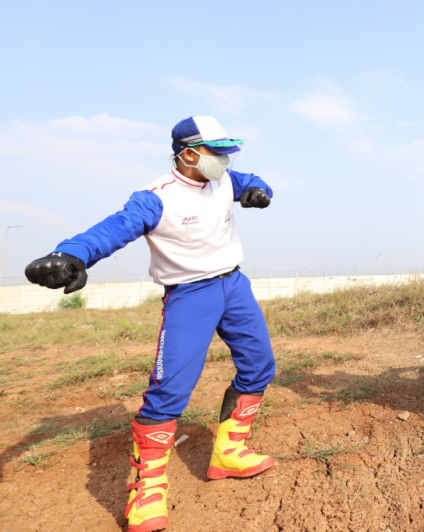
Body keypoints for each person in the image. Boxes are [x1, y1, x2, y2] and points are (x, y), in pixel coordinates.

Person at [24, 115, 277, 532]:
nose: (226, 159)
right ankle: (149, 488)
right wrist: (72, 255)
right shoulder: (155, 198)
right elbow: (113, 228)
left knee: (259, 366)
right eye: (218, 151)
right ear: (190, 153)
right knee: (170, 389)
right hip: (189, 295)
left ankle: (229, 452)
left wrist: (258, 190)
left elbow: (252, 177)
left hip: (234, 285)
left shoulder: (225, 181)